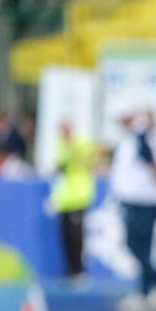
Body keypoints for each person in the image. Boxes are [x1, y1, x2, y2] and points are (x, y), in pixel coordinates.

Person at [110, 105, 156, 311]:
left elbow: (149, 157)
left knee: (135, 243)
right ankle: (146, 289)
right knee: (141, 245)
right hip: (139, 197)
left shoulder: (143, 133)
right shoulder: (143, 135)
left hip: (143, 198)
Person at [50, 120, 98, 282]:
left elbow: (92, 162)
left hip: (79, 197)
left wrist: (73, 150)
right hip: (64, 199)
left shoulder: (82, 142)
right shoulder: (61, 145)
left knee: (76, 235)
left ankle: (79, 270)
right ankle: (70, 269)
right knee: (65, 236)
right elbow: (60, 166)